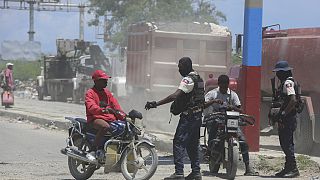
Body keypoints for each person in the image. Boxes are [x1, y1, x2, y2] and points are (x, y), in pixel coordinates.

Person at [145, 57, 210, 180]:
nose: (179, 69)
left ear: (186, 66)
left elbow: (175, 95)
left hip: (189, 117)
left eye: (180, 67)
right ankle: (196, 172)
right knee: (192, 144)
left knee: (178, 143)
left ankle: (179, 173)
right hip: (197, 116)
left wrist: (156, 104)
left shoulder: (188, 79)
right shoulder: (199, 79)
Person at [204, 74, 258, 176]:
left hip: (230, 119)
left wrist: (231, 106)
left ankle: (248, 167)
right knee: (214, 128)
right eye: (222, 86)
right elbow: (203, 104)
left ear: (228, 85)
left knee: (242, 140)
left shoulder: (233, 94)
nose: (224, 88)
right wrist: (214, 101)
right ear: (219, 84)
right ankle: (209, 151)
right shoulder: (213, 93)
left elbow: (240, 109)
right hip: (218, 117)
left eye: (226, 85)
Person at [85, 69, 126, 161]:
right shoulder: (90, 93)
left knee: (123, 127)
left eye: (106, 80)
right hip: (95, 118)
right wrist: (103, 110)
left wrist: (124, 116)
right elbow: (91, 107)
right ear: (96, 81)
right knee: (105, 127)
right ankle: (93, 149)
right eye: (103, 80)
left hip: (109, 118)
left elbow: (116, 106)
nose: (106, 82)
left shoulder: (107, 93)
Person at [272, 60, 300, 178]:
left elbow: (293, 100)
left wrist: (283, 113)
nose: (277, 75)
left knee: (287, 143)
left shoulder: (288, 83)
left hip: (288, 118)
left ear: (284, 72)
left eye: (279, 72)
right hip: (286, 117)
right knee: (284, 143)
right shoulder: (285, 82)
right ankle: (288, 167)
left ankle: (293, 168)